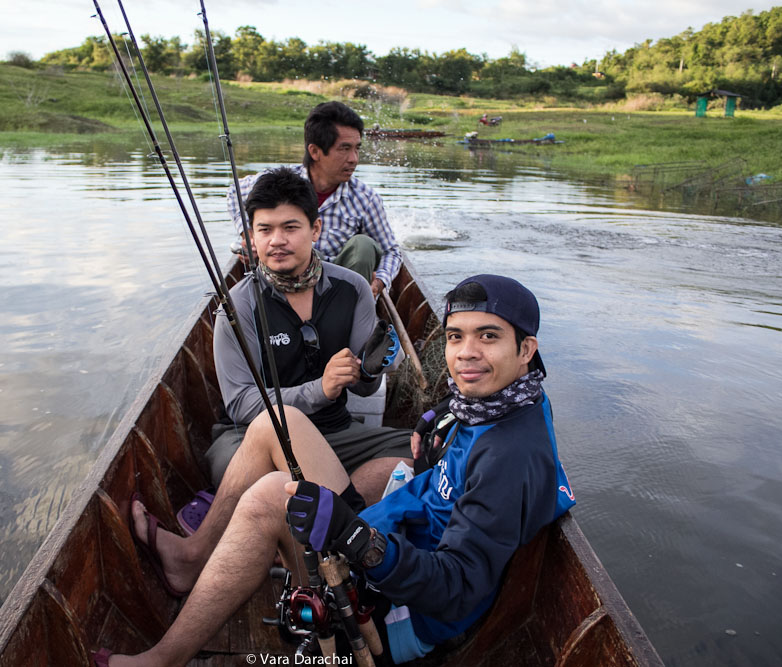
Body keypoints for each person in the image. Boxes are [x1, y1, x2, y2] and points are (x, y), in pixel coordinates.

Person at [99, 273, 575, 667]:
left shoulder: (509, 457)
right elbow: (453, 474)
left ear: (526, 348)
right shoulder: (506, 402)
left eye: (488, 337)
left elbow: (455, 592)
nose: (466, 353)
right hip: (407, 539)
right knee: (277, 423)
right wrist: (441, 426)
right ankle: (194, 557)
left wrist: (356, 540)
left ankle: (161, 659)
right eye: (456, 336)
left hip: (400, 615)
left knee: (270, 497)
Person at [209, 166, 410, 502]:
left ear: (315, 229)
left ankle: (326, 512)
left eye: (290, 227)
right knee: (247, 475)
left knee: (420, 449)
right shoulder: (238, 304)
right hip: (257, 441)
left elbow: (364, 388)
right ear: (251, 238)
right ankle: (342, 510)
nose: (277, 240)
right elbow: (241, 403)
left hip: (336, 432)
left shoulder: (353, 288)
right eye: (265, 230)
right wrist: (320, 389)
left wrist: (372, 369)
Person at [228, 101, 401, 299]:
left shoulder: (365, 199)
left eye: (356, 149)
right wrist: (248, 235)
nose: (354, 158)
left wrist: (378, 284)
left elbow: (391, 252)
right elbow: (235, 191)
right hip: (284, 288)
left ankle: (349, 318)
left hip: (338, 294)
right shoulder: (281, 183)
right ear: (315, 151)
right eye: (344, 149)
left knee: (363, 245)